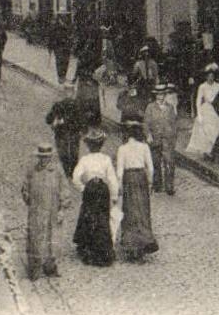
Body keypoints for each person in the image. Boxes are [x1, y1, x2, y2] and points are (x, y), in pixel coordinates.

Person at [72, 129, 118, 267]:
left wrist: (83, 188)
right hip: (102, 190)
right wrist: (114, 195)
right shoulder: (106, 159)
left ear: (88, 146)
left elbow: (75, 177)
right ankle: (103, 251)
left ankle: (88, 249)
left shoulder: (85, 160)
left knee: (88, 216)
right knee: (102, 218)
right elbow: (112, 179)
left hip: (90, 190)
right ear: (101, 145)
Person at [115, 121, 159, 263]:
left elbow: (119, 170)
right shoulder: (144, 147)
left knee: (130, 210)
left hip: (129, 178)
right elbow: (150, 168)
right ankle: (144, 242)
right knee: (142, 210)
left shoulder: (122, 149)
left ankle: (130, 244)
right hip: (141, 178)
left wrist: (120, 185)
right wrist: (150, 182)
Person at [22, 143, 65, 280]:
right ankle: (34, 269)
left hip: (53, 210)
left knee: (52, 240)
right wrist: (28, 198)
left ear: (50, 157)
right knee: (35, 238)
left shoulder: (57, 171)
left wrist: (62, 209)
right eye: (41, 157)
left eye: (46, 157)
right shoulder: (32, 171)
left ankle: (50, 267)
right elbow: (24, 188)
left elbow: (64, 190)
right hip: (37, 211)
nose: (44, 160)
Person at [144, 83, 178, 195]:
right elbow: (146, 123)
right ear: (155, 95)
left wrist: (173, 138)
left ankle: (169, 186)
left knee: (169, 162)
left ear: (165, 95)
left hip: (167, 139)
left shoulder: (170, 107)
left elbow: (174, 124)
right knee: (156, 162)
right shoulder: (150, 107)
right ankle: (157, 185)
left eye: (162, 94)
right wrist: (148, 135)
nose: (160, 96)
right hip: (155, 139)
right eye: (158, 94)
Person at [186, 64, 219, 158]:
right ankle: (205, 150)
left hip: (215, 109)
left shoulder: (218, 86)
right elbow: (198, 101)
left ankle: (212, 149)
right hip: (205, 108)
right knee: (203, 125)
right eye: (208, 76)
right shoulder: (202, 86)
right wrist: (199, 115)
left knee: (217, 123)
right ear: (206, 77)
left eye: (212, 76)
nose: (210, 78)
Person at [45, 94, 84, 179]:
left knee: (65, 154)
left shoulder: (58, 105)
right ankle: (71, 173)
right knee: (71, 154)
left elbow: (48, 119)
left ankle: (69, 173)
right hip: (70, 135)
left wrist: (58, 121)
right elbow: (82, 125)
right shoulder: (77, 106)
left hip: (63, 135)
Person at [47, 14, 73, 85]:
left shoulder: (67, 27)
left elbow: (70, 37)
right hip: (58, 47)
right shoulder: (55, 28)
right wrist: (50, 48)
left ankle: (63, 76)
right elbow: (51, 38)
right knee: (59, 61)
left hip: (66, 47)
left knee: (66, 62)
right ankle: (60, 77)